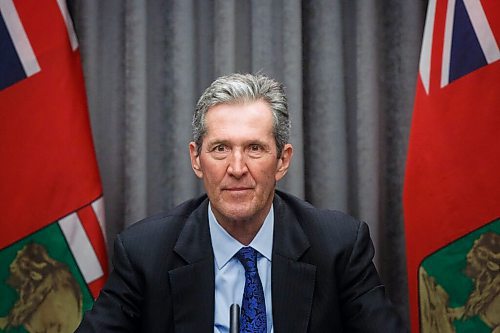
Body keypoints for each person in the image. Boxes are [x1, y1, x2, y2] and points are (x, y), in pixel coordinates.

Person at [76, 73, 405, 332]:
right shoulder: (144, 253)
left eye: (254, 148)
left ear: (282, 160)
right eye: (220, 148)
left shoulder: (338, 246)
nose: (236, 168)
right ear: (196, 159)